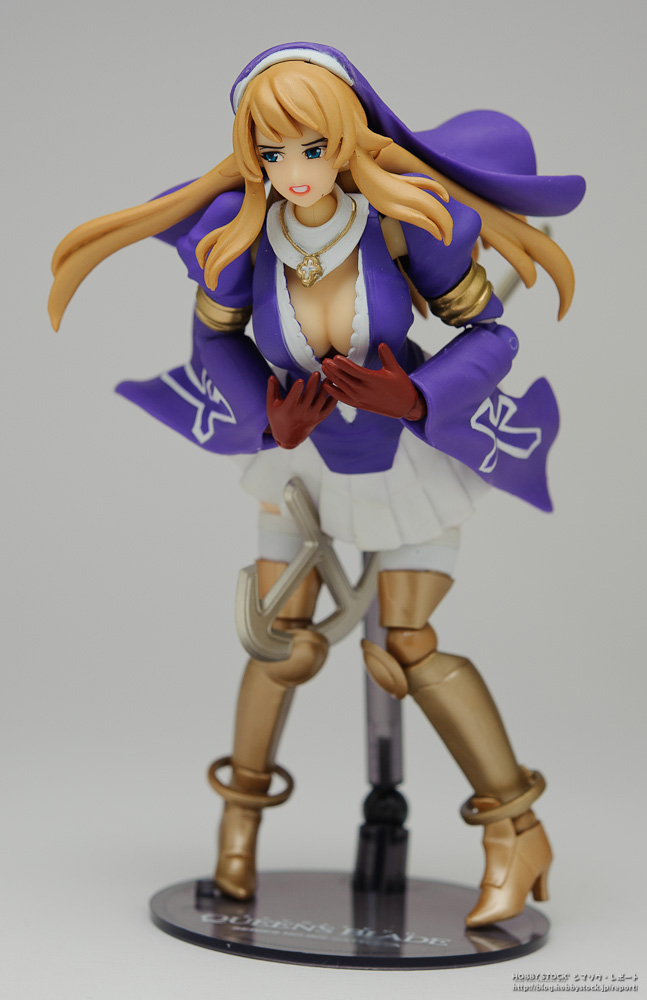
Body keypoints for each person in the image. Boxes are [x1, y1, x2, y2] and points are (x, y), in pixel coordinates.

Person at [49, 42, 585, 927]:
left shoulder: (406, 225)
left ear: (346, 139)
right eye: (271, 152)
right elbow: (214, 342)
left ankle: (516, 832)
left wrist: (417, 395)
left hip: (406, 455)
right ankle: (237, 833)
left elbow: (491, 336)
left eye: (311, 147)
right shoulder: (238, 238)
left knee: (408, 648)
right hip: (298, 462)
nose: (293, 171)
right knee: (278, 643)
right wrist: (268, 418)